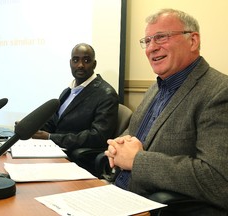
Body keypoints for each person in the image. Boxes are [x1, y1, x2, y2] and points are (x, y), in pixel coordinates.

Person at [105, 8, 228, 215]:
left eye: (161, 37)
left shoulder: (219, 92)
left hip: (148, 208)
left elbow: (216, 181)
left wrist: (137, 161)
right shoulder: (156, 87)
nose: (151, 48)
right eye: (147, 41)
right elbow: (134, 135)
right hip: (115, 194)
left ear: (193, 40)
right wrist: (117, 145)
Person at [33, 43, 119, 170]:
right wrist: (30, 129)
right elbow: (54, 122)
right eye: (75, 60)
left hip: (74, 158)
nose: (80, 65)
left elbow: (98, 136)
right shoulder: (68, 91)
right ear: (70, 63)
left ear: (94, 64)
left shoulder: (106, 94)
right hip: (53, 152)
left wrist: (51, 137)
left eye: (86, 60)